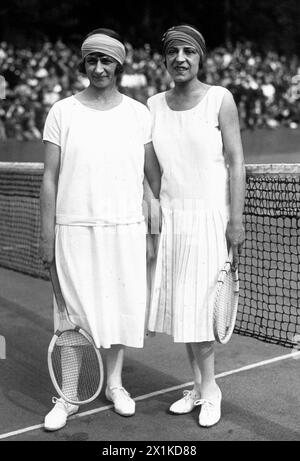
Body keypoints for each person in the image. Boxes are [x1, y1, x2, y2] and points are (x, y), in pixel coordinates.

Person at [40, 28, 161, 431]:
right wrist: (46, 235)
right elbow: (50, 180)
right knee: (71, 317)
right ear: (84, 64)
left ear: (119, 66)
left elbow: (152, 174)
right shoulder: (61, 111)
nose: (99, 68)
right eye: (92, 60)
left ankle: (114, 385)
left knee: (118, 310)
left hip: (124, 229)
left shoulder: (138, 113)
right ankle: (70, 395)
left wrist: (146, 204)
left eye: (106, 60)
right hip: (72, 228)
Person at [147, 25, 245, 427]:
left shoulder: (221, 99)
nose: (180, 58)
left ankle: (211, 390)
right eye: (173, 52)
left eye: (189, 51)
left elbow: (237, 162)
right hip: (173, 221)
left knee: (202, 312)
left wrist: (235, 219)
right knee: (185, 314)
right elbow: (151, 169)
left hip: (211, 220)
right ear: (165, 58)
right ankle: (198, 386)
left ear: (200, 57)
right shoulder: (152, 105)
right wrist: (157, 210)